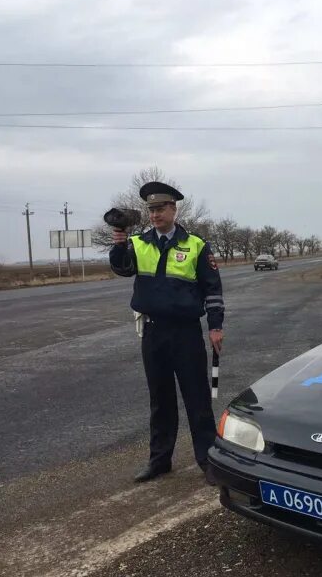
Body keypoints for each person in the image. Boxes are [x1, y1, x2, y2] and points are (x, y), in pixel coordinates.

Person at [109, 181, 224, 484]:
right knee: (160, 400)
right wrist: (119, 242)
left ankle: (208, 460)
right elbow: (121, 268)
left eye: (160, 208)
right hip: (153, 332)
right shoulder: (138, 243)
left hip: (185, 333)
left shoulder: (196, 245)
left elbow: (212, 289)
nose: (155, 214)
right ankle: (160, 460)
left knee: (198, 399)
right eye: (151, 210)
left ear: (174, 209)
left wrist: (215, 326)